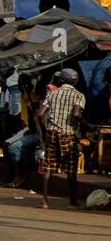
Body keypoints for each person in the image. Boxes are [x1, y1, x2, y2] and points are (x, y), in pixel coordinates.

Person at [38, 68, 85, 209]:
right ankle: (72, 202)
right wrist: (83, 121)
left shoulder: (53, 94)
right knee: (71, 168)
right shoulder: (79, 95)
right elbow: (76, 114)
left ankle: (45, 202)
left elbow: (40, 113)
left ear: (61, 80)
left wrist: (46, 126)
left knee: (48, 167)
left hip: (52, 132)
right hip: (69, 134)